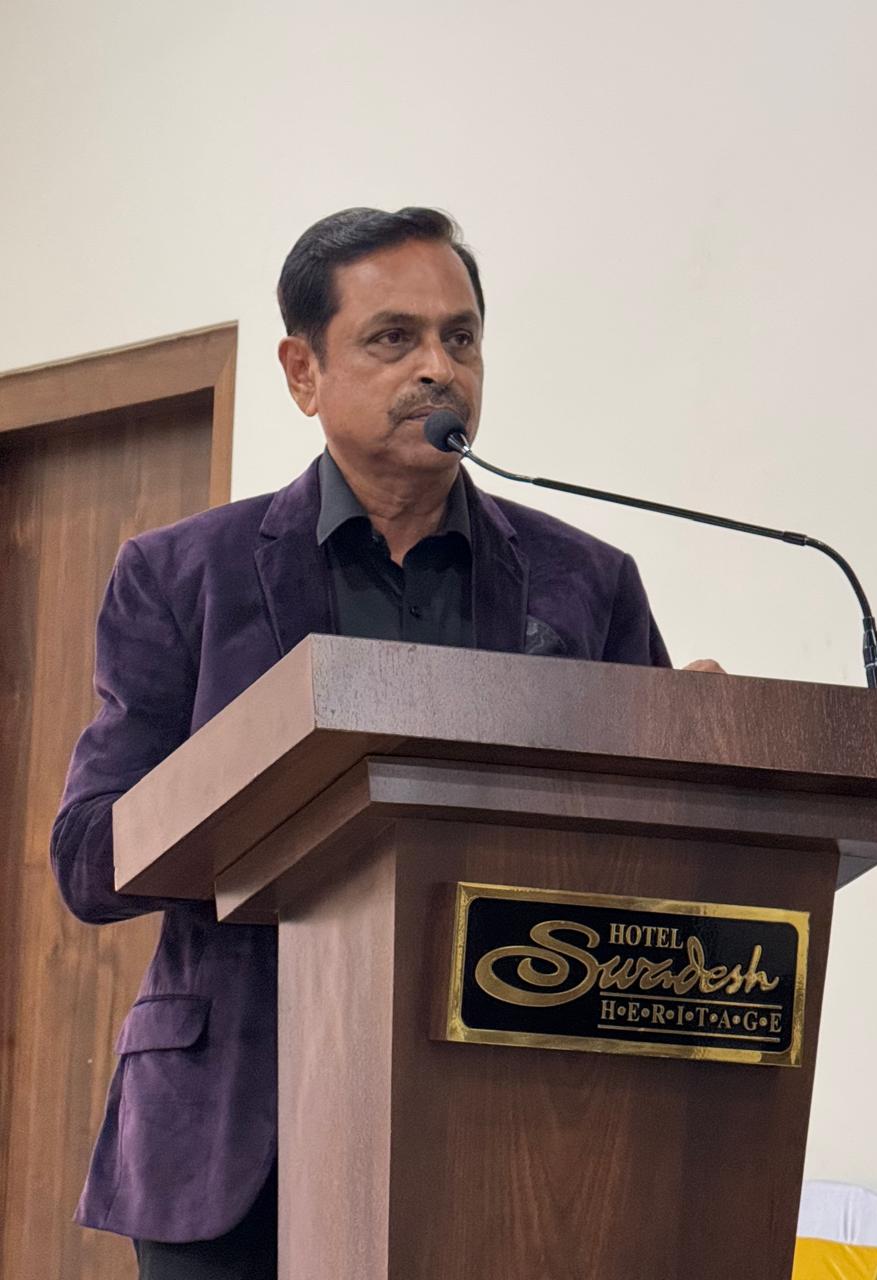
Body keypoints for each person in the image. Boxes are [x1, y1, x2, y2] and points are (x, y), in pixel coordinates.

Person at [52, 206, 716, 1279]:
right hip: (236, 1136)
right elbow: (87, 856)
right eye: (393, 338)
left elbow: (653, 864)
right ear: (302, 371)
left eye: (461, 338)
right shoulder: (183, 576)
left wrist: (702, 754)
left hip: (509, 1121)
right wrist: (261, 770)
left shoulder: (585, 583)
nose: (437, 368)